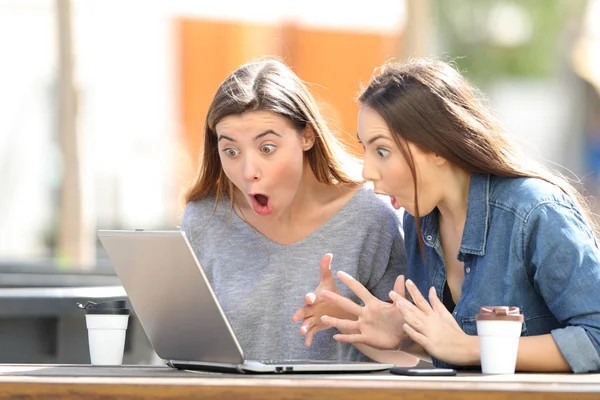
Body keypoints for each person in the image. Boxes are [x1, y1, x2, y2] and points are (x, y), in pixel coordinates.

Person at [317, 58, 600, 373]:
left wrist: (473, 347)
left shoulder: (533, 212)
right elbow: (447, 349)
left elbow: (596, 337)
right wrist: (402, 335)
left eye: (382, 151)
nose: (368, 171)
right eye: (366, 151)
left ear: (438, 147)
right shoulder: (419, 221)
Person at [180, 58, 415, 365]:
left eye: (266, 148)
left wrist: (349, 316)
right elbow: (182, 351)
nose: (249, 170)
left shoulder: (373, 219)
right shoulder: (204, 220)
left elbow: (410, 357)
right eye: (231, 151)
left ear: (307, 136)